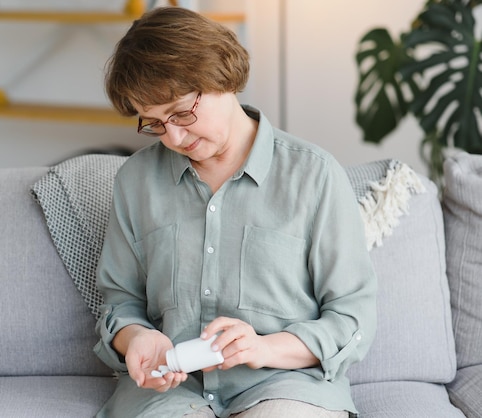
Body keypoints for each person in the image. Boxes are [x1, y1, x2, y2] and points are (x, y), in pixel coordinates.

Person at [93, 7, 377, 418]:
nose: (173, 136)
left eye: (181, 112)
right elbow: (120, 301)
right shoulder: (135, 182)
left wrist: (263, 348)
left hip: (285, 386)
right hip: (169, 394)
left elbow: (353, 316)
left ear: (220, 76)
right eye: (153, 122)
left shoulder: (314, 176)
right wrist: (135, 337)